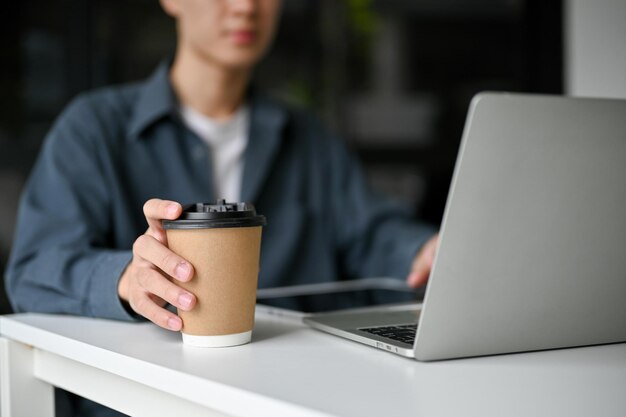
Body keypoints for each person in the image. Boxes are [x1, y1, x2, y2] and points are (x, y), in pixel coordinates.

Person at [6, 0, 438, 416]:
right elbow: (32, 269)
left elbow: (373, 234)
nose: (245, 6)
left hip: (291, 396)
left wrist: (426, 252)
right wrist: (125, 279)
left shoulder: (308, 139)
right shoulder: (94, 129)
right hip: (144, 402)